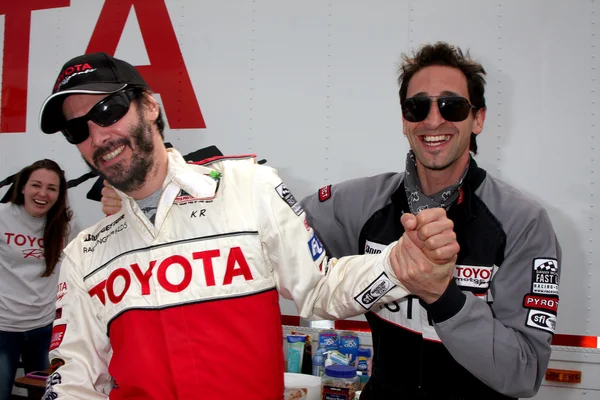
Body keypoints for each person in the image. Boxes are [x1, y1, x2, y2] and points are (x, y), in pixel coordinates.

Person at [38, 52, 460, 400]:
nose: (98, 136)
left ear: (150, 105)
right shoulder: (84, 254)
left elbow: (319, 289)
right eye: (78, 128)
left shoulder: (248, 186)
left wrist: (397, 266)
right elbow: (74, 380)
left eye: (108, 110)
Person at [300, 42, 561, 399]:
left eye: (452, 106)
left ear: (478, 119)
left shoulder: (523, 222)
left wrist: (442, 295)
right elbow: (277, 234)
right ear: (405, 120)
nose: (433, 120)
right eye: (417, 106)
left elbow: (524, 374)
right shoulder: (360, 203)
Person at [0, 159, 78, 400]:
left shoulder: (65, 224)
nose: (43, 194)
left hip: (44, 329)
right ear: (22, 187)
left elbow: (73, 271)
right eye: (36, 185)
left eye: (52, 188)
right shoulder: (2, 216)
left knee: (46, 395)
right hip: (3, 328)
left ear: (59, 194)